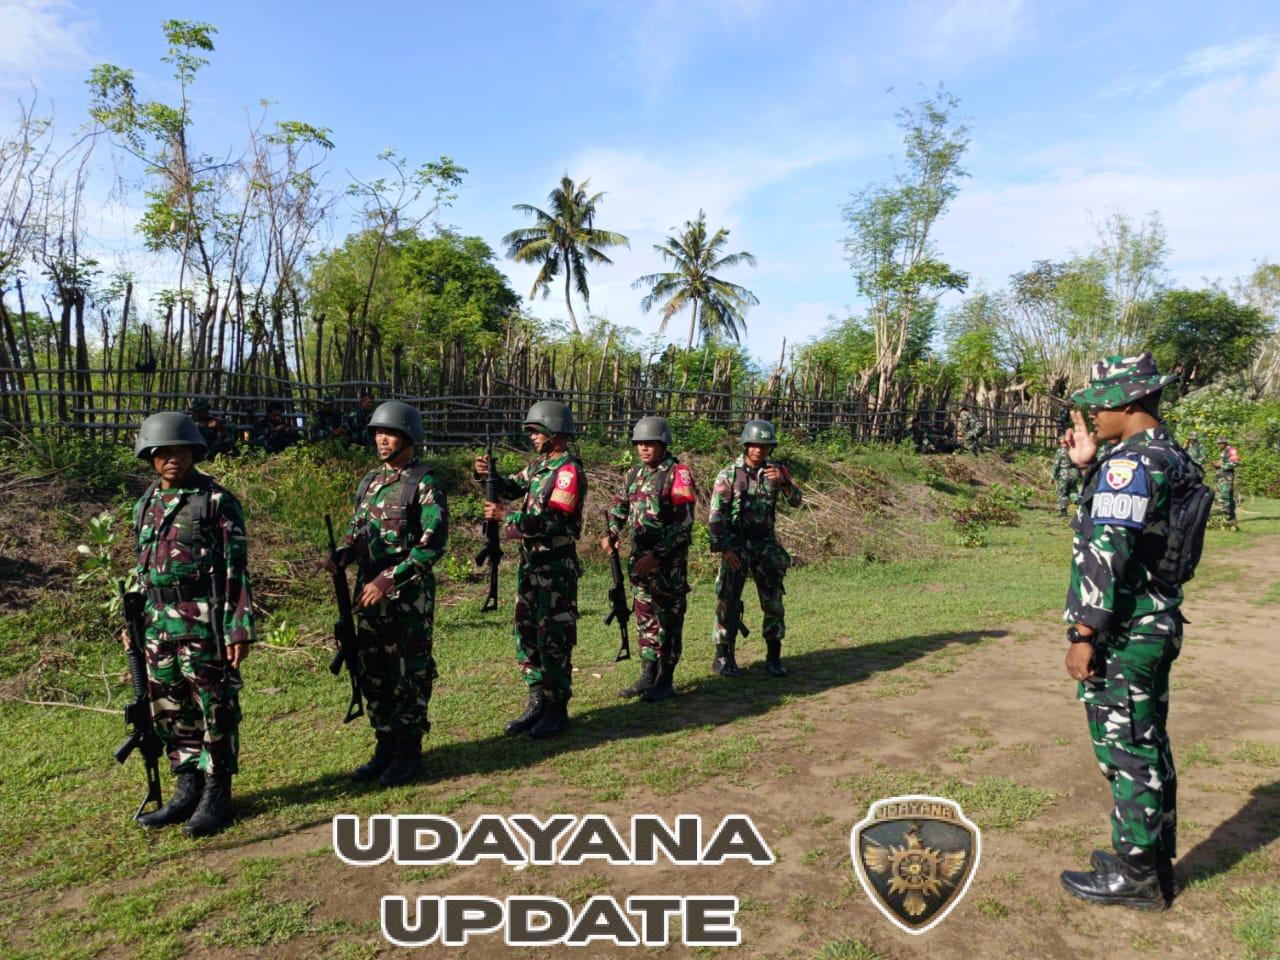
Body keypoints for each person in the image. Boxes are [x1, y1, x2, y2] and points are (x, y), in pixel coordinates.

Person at [1058, 352, 1188, 911]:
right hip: (1154, 622)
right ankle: (1147, 859)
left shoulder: (1130, 465)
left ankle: (1136, 879)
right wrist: (1089, 468)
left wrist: (1084, 633)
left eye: (1101, 406)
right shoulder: (1168, 454)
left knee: (1128, 751)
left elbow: (1108, 552)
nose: (1094, 417)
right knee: (1147, 744)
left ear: (1130, 404)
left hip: (1125, 633)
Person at [123, 412, 254, 836]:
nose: (171, 459)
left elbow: (237, 569)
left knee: (214, 707)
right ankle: (187, 787)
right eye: (161, 452)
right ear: (150, 457)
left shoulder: (215, 500)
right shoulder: (145, 504)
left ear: (193, 452)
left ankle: (217, 791)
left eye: (179, 450)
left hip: (204, 625)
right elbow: (142, 570)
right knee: (170, 709)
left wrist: (238, 626)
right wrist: (134, 619)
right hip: (158, 626)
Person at [324, 401, 447, 786]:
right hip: (368, 595)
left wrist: (390, 578)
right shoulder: (371, 482)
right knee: (373, 670)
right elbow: (356, 529)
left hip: (406, 597)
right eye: (377, 432)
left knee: (407, 673)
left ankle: (408, 753)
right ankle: (384, 746)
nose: (381, 439)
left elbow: (432, 545)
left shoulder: (424, 484)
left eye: (389, 433)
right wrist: (342, 554)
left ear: (409, 437)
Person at [474, 400, 586, 739]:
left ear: (554, 433)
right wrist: (487, 476)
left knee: (554, 636)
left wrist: (507, 516)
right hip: (531, 565)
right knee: (527, 633)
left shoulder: (568, 472)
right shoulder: (540, 467)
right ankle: (536, 700)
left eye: (536, 432)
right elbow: (511, 486)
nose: (532, 438)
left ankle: (556, 708)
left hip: (555, 567)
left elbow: (556, 519)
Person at [601, 416, 697, 703]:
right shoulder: (633, 474)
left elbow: (684, 524)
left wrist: (658, 556)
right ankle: (647, 673)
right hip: (639, 558)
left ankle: (665, 678)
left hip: (667, 562)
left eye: (649, 444)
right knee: (644, 616)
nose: (643, 449)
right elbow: (619, 508)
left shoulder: (678, 474)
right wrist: (612, 532)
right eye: (639, 444)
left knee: (668, 617)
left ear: (663, 443)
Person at [707, 419, 802, 678]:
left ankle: (773, 656)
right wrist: (724, 549)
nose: (759, 450)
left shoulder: (776, 469)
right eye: (754, 445)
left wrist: (783, 482)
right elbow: (716, 515)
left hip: (765, 545)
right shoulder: (729, 473)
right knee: (728, 601)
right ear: (746, 445)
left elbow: (796, 501)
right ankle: (724, 657)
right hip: (736, 546)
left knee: (773, 602)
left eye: (765, 445)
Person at [1051, 438, 1083, 517]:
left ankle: (1063, 512)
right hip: (1074, 473)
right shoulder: (1074, 450)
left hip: (1064, 474)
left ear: (1061, 443)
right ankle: (1078, 501)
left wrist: (1052, 476)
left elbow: (1056, 464)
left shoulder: (1060, 451)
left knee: (1062, 493)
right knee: (1073, 491)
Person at [1214, 437, 1240, 529]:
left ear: (1224, 443)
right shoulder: (1223, 451)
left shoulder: (1231, 450)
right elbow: (1224, 461)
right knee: (1225, 497)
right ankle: (1231, 518)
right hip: (1222, 477)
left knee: (1226, 497)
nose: (1218, 445)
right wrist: (1216, 463)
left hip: (1227, 477)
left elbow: (1236, 462)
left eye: (1220, 443)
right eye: (1218, 443)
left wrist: (1222, 465)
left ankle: (1228, 518)